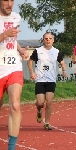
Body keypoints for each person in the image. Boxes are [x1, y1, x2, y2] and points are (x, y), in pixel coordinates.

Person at [0, 0, 29, 150]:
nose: (9, 3)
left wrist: (20, 50)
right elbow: (7, 36)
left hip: (13, 67)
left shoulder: (16, 17)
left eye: (12, 0)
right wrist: (4, 34)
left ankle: (11, 148)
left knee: (15, 105)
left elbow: (13, 39)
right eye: (6, 0)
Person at [27, 32, 67, 130]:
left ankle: (47, 123)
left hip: (51, 80)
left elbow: (62, 62)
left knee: (49, 102)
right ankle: (39, 110)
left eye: (50, 38)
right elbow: (30, 61)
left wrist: (64, 70)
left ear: (53, 40)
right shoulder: (37, 51)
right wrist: (32, 72)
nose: (48, 40)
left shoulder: (57, 51)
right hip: (40, 80)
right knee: (40, 103)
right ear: (43, 40)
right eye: (46, 38)